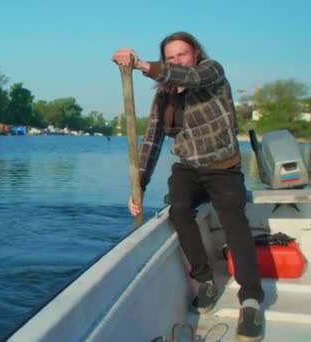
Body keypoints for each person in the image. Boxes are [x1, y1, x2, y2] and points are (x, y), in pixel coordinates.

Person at [112, 32, 264, 341]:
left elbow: (189, 76)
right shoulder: (164, 95)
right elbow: (153, 140)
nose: (177, 61)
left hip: (224, 168)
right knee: (178, 210)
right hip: (188, 170)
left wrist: (141, 64)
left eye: (182, 54)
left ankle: (250, 299)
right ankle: (205, 280)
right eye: (170, 57)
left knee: (234, 222)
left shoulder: (212, 73)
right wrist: (138, 184)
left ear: (194, 53)